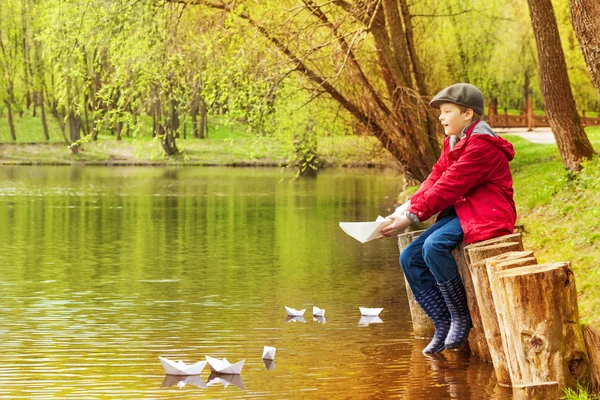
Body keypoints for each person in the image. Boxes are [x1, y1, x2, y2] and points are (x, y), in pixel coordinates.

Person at [380, 83, 516, 355]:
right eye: (441, 112)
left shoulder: (482, 146)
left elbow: (449, 185)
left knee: (434, 246)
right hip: (464, 211)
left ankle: (461, 317)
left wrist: (412, 216)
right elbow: (435, 178)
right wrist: (404, 209)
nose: (441, 117)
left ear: (467, 114)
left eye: (447, 111)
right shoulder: (454, 142)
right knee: (409, 257)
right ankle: (442, 322)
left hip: (486, 212)